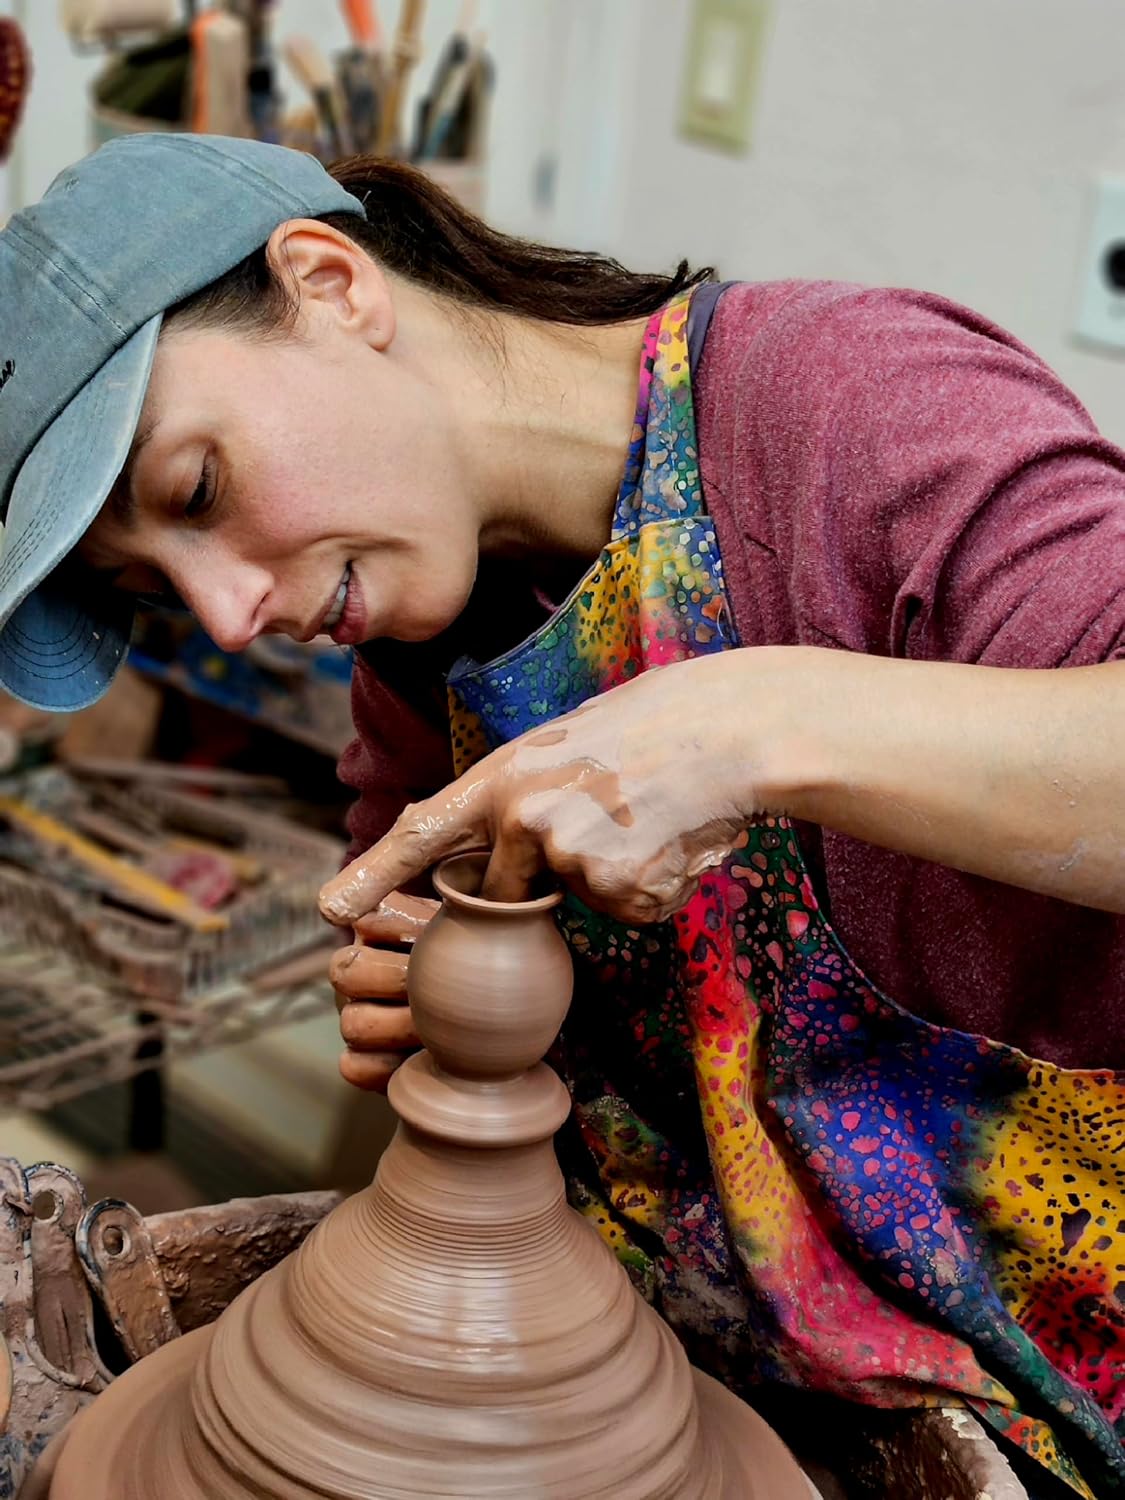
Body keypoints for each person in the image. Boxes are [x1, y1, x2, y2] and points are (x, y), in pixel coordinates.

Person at [1, 132, 1121, 1500]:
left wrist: (749, 725)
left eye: (197, 491)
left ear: (329, 282)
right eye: (159, 589)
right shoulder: (428, 651)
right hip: (705, 1381)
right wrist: (420, 1010)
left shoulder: (850, 410)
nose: (234, 613)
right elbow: (455, 1076)